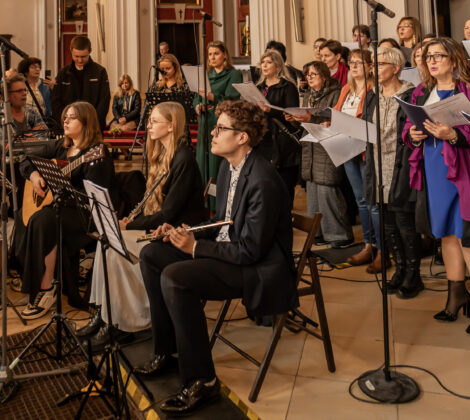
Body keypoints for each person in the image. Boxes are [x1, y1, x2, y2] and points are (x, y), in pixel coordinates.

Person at [135, 100, 297, 415]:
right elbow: (223, 223)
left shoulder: (262, 181)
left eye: (220, 128)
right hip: (230, 252)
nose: (212, 133)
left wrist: (194, 247)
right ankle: (167, 350)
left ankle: (203, 380)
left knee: (176, 278)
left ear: (242, 138)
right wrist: (185, 231)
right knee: (152, 254)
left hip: (257, 268)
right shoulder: (227, 167)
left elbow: (250, 250)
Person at [78, 101, 207, 348]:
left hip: (176, 236)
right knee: (106, 243)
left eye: (154, 121)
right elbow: (155, 207)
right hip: (161, 229)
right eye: (149, 121)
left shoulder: (183, 159)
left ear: (171, 126)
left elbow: (168, 213)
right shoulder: (164, 153)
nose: (148, 126)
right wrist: (132, 220)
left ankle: (122, 323)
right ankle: (105, 315)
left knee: (114, 249)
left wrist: (129, 226)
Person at [404, 37, 470, 335]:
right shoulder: (421, 91)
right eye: (428, 57)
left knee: (468, 238)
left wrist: (454, 135)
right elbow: (409, 127)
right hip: (433, 168)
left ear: (455, 58)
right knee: (446, 234)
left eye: (439, 55)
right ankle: (456, 295)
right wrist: (413, 136)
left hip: (465, 171)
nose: (432, 61)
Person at [13, 102, 118, 318]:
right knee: (25, 214)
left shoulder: (96, 154)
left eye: (72, 117)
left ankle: (47, 288)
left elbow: (94, 196)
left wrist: (65, 186)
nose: (65, 121)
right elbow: (25, 160)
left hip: (83, 213)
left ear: (86, 122)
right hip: (59, 206)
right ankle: (31, 281)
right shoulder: (61, 146)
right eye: (65, 117)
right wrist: (35, 176)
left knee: (45, 220)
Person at [363, 47, 420, 295]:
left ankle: (413, 274)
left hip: (400, 163)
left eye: (380, 64)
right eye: (373, 64)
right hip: (376, 163)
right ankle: (399, 269)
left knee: (404, 221)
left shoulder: (410, 95)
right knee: (387, 223)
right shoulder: (372, 95)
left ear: (396, 68)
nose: (374, 68)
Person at [286, 61, 353, 248]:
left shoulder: (336, 93)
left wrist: (311, 118)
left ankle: (339, 235)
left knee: (327, 190)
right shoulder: (308, 94)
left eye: (313, 74)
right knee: (313, 192)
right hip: (310, 146)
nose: (309, 78)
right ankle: (318, 232)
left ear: (324, 76)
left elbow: (334, 120)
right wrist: (294, 120)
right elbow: (305, 124)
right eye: (307, 75)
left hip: (327, 145)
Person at [329, 49, 378, 266]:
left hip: (366, 149)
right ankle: (368, 244)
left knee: (373, 201)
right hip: (348, 149)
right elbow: (337, 113)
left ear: (370, 66)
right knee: (361, 200)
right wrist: (329, 123)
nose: (355, 66)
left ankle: (381, 249)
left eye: (359, 62)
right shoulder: (346, 89)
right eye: (352, 62)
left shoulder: (374, 89)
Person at [193, 41, 243, 185]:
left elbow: (232, 100)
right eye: (210, 54)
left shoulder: (234, 74)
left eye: (216, 53)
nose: (212, 57)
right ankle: (203, 196)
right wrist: (198, 106)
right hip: (205, 121)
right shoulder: (205, 75)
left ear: (224, 55)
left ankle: (216, 197)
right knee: (202, 162)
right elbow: (196, 98)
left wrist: (212, 97)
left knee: (216, 163)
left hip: (221, 123)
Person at [255, 50, 300, 202]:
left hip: (281, 141)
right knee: (266, 185)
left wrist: (270, 110)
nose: (264, 65)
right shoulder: (259, 87)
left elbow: (292, 114)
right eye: (263, 62)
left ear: (278, 66)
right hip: (262, 139)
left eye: (269, 62)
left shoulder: (287, 87)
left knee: (283, 188)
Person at [51, 36, 110, 131]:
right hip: (68, 126)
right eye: (76, 56)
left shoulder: (100, 72)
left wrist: (93, 122)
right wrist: (65, 121)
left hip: (93, 126)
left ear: (90, 51)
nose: (79, 60)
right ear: (71, 51)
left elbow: (104, 100)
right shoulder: (63, 73)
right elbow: (56, 101)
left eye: (83, 57)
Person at [150, 53, 195, 127]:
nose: (165, 71)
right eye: (162, 69)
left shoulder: (184, 85)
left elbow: (189, 108)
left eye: (168, 68)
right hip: (160, 124)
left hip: (179, 123)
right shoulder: (157, 86)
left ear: (175, 68)